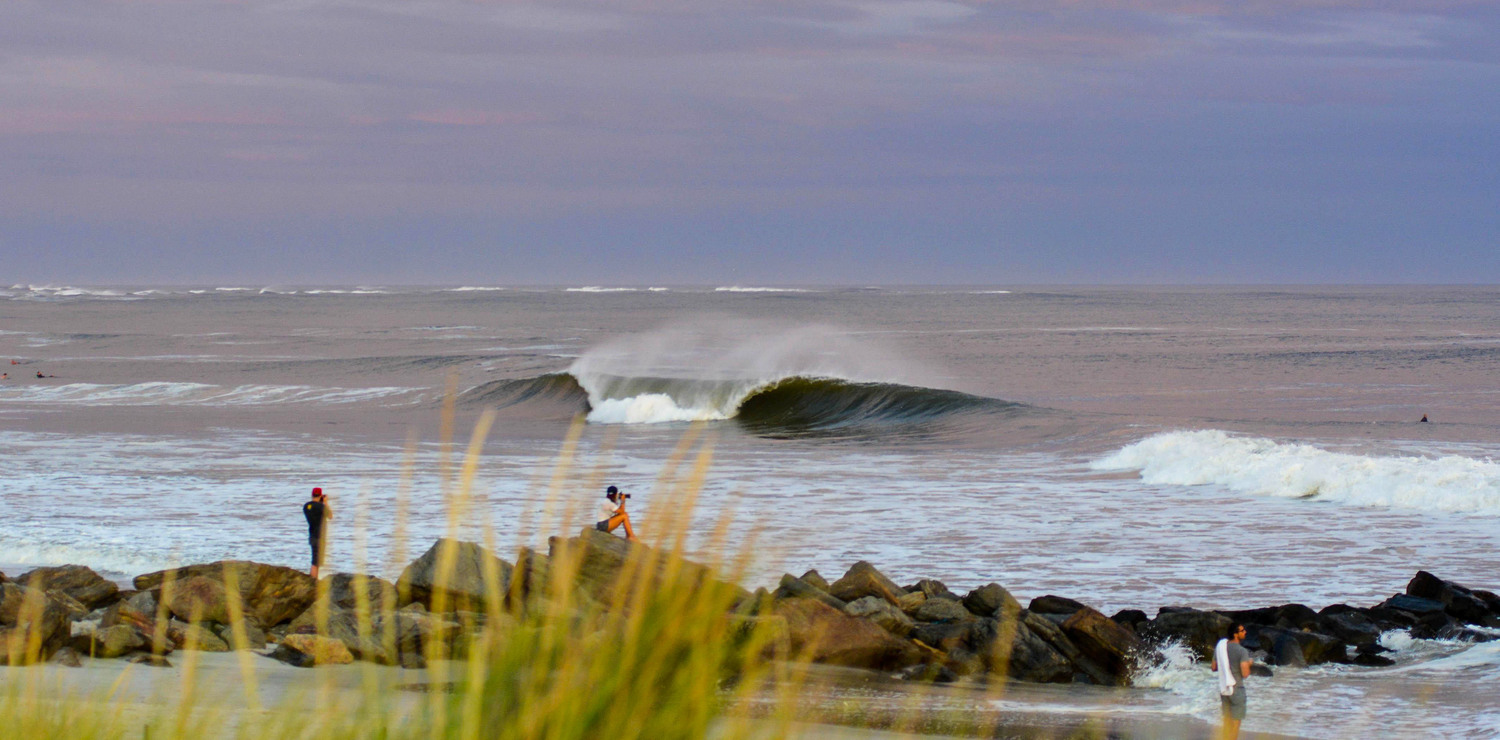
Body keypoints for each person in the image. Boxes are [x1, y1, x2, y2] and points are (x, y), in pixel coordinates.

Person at [1211, 622, 1253, 740]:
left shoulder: (1220, 647)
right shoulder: (1242, 651)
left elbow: (1214, 667)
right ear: (1235, 634)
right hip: (1237, 688)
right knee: (1236, 723)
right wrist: (1249, 664)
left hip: (1224, 688)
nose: (1245, 632)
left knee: (1227, 721)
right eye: (1242, 630)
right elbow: (1245, 674)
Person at [302, 487, 332, 578]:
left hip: (312, 535)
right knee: (316, 561)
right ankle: (313, 580)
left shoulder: (306, 506)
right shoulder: (321, 507)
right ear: (320, 495)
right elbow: (330, 516)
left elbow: (315, 511)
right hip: (320, 536)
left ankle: (314, 578)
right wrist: (325, 502)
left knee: (315, 558)